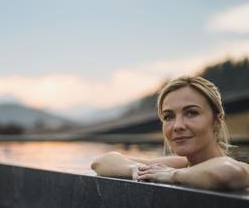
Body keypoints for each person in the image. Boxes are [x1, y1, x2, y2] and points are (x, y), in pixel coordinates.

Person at [91, 76, 249, 190]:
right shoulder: (181, 164)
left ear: (216, 121)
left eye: (191, 113)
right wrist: (137, 170)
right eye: (168, 116)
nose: (177, 126)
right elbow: (102, 162)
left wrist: (171, 175)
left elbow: (226, 172)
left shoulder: (238, 167)